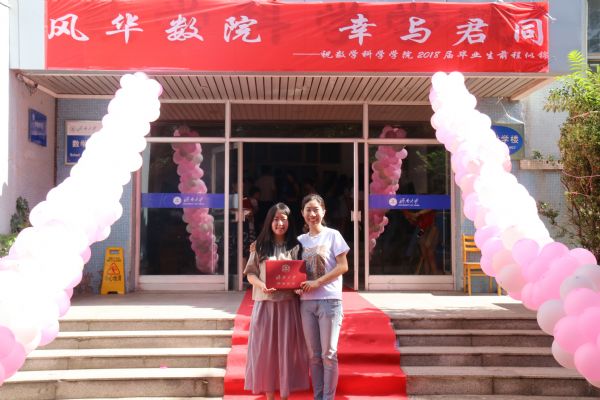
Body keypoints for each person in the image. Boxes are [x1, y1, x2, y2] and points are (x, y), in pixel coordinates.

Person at [243, 203, 310, 400]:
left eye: (284, 219)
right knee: (266, 351)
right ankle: (270, 395)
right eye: (276, 219)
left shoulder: (296, 247)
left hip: (288, 306)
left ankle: (285, 395)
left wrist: (299, 287)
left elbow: (301, 275)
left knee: (287, 351)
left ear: (289, 222)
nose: (280, 223)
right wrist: (262, 285)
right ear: (269, 221)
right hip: (265, 305)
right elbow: (251, 274)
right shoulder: (259, 246)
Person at [297, 193, 350, 400]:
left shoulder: (333, 235)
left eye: (316, 210)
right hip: (306, 303)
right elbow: (294, 271)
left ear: (324, 212)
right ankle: (318, 396)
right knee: (314, 355)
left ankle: (328, 398)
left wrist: (317, 282)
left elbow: (343, 266)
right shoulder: (299, 240)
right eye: (308, 210)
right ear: (302, 213)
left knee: (329, 354)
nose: (312, 214)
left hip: (330, 301)